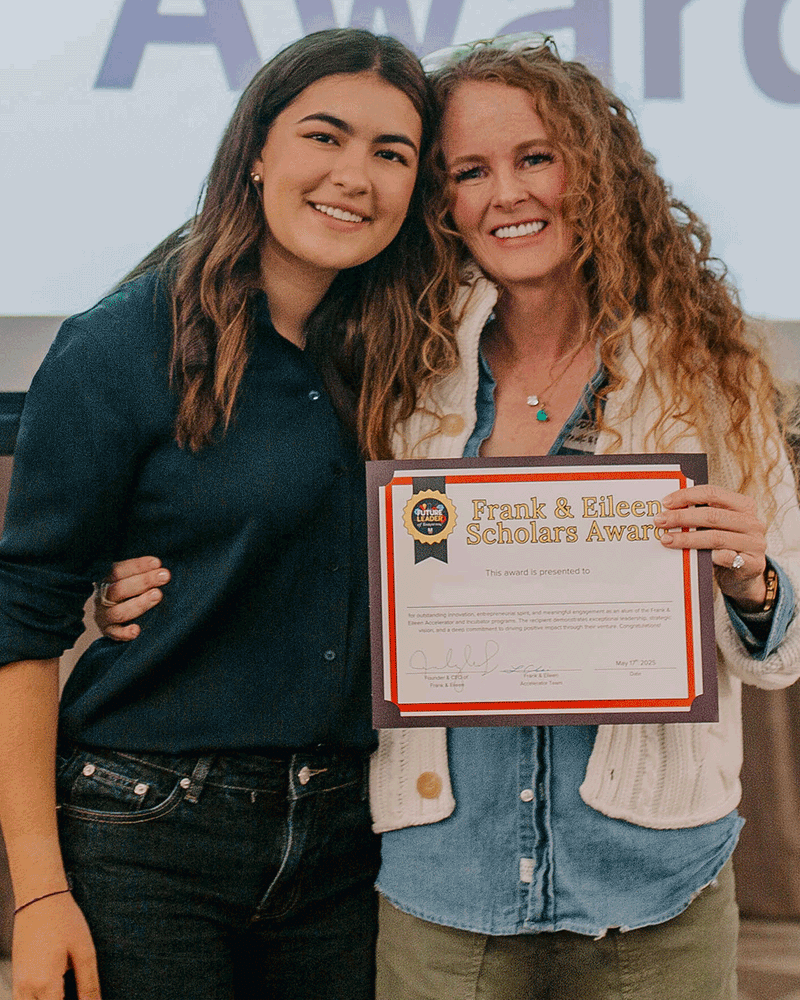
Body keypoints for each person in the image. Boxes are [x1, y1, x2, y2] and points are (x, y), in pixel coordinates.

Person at [103, 34, 800, 1000]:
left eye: (536, 158)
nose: (505, 194)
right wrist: (125, 579)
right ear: (441, 203)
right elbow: (281, 534)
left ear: (594, 172)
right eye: (469, 171)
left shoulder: (706, 373)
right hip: (444, 884)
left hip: (653, 886)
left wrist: (752, 585)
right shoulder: (394, 363)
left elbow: (779, 653)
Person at [0, 27, 447, 1000]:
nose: (353, 176)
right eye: (323, 136)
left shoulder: (407, 358)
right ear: (254, 151)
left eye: (390, 152)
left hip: (346, 844)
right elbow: (20, 622)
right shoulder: (121, 345)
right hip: (148, 833)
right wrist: (37, 895)